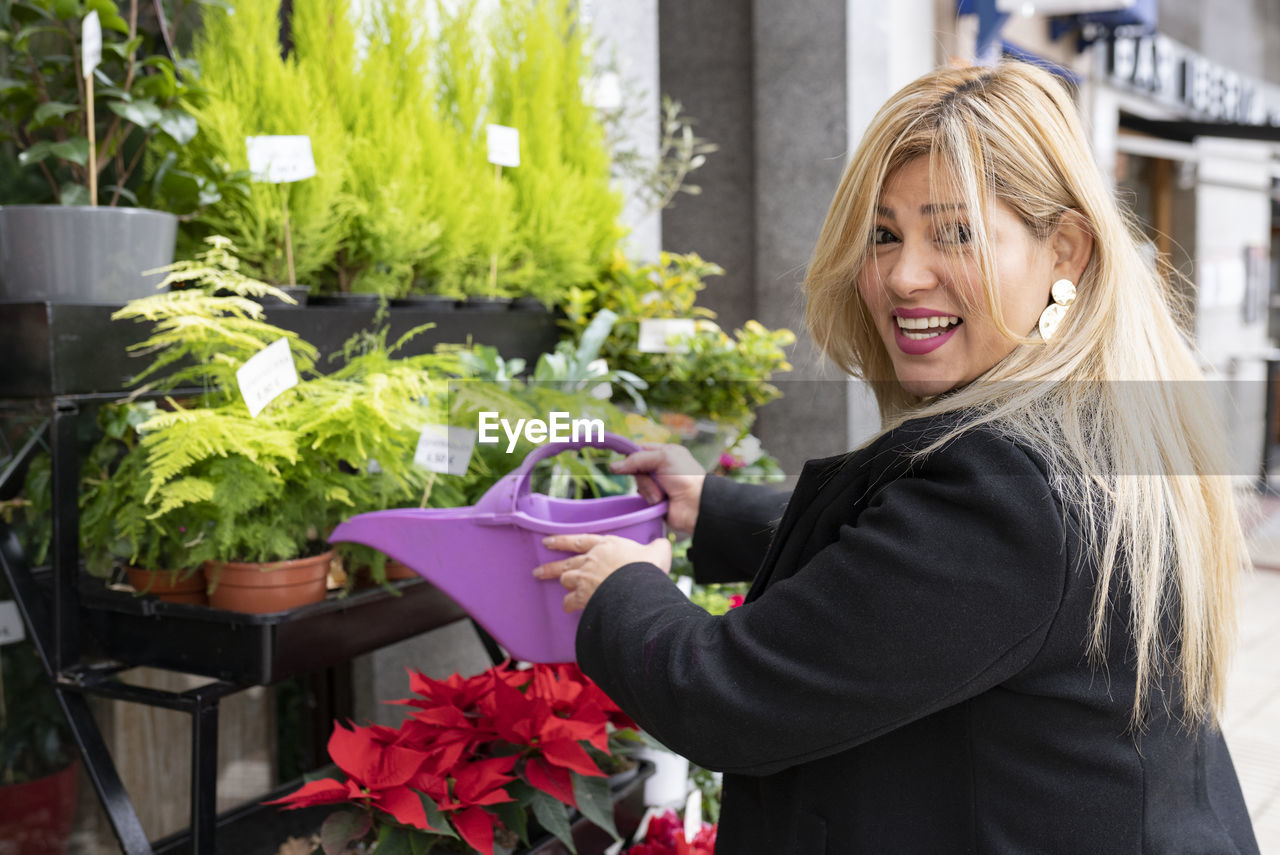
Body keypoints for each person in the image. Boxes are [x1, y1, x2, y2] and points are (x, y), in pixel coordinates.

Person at [533, 62, 1260, 853]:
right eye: (883, 234)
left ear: (1065, 251)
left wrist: (619, 587)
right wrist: (713, 509)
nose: (904, 275)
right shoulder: (1094, 426)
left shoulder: (1007, 488)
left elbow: (729, 696)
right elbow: (929, 575)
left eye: (955, 233)